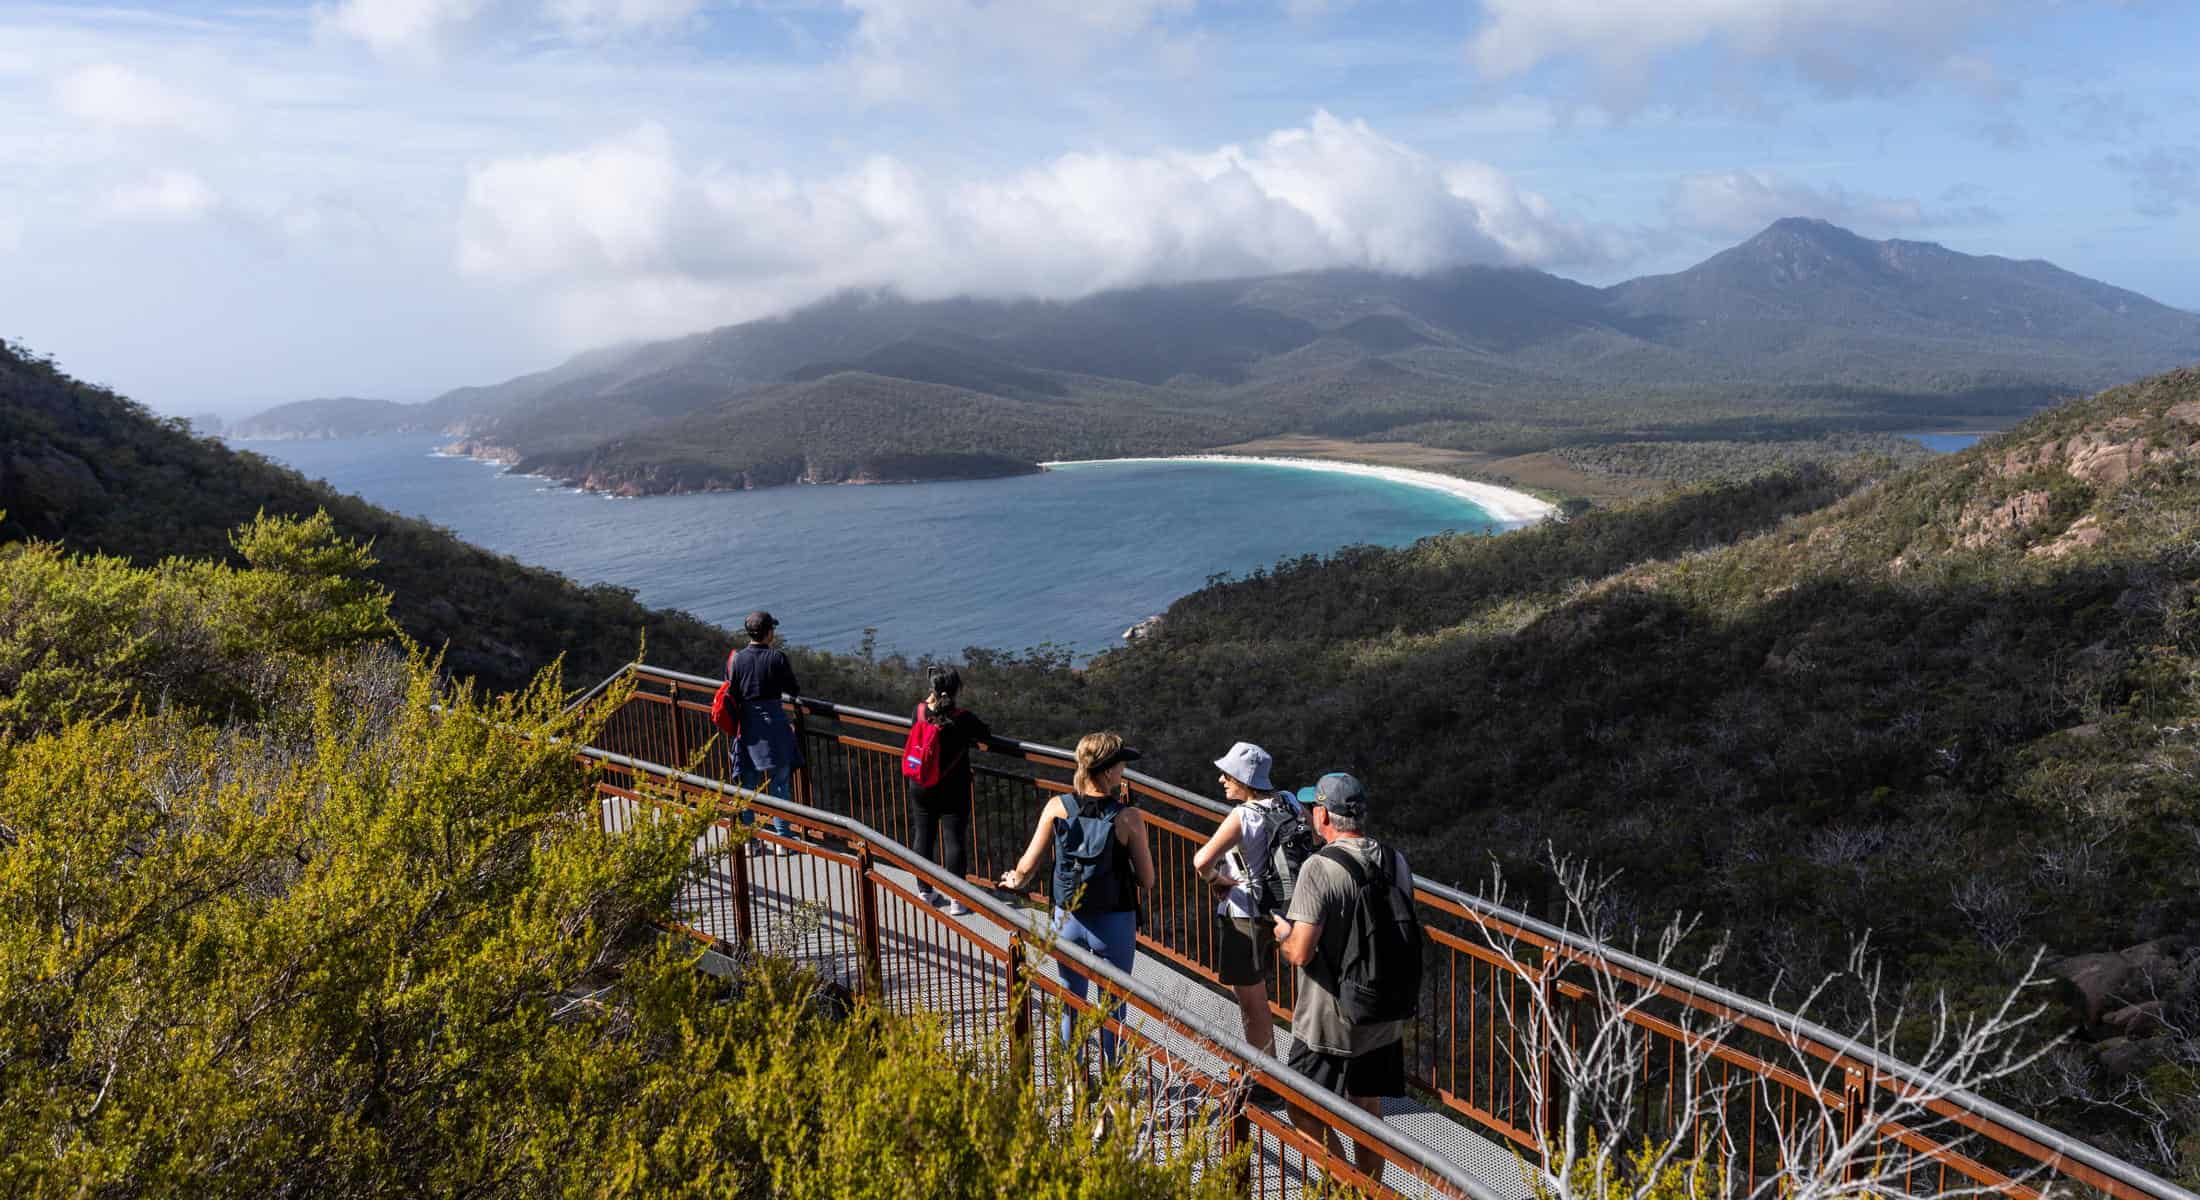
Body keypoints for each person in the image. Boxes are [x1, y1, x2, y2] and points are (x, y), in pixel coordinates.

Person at [1272, 772, 1413, 1188]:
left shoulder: (1318, 867)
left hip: (1328, 1020)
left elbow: (1300, 952)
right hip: (1383, 1013)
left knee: (1299, 1103)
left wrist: (1283, 935)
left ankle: (1341, 1186)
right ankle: (1368, 1192)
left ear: (1322, 815)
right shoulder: (1395, 859)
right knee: (1367, 1105)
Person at [998, 732, 1156, 1065]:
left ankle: (1073, 1078)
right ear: (1109, 772)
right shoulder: (1128, 818)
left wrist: (1015, 879)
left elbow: (1026, 867)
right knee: (1113, 1006)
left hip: (1066, 920)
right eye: (1122, 763)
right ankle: (1113, 1085)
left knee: (1071, 1001)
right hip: (1114, 923)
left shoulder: (1057, 808)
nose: (1125, 769)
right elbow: (1148, 879)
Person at [1190, 741, 1302, 1058]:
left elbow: (1201, 861)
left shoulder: (1243, 816)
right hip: (1288, 910)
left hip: (1244, 913)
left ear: (1242, 779)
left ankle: (1264, 1077)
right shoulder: (1290, 802)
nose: (1222, 780)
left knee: (1253, 1001)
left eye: (1227, 775)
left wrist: (1216, 880)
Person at [908, 666, 991, 916]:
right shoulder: (963, 718)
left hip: (921, 785)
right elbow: (986, 734)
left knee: (923, 836)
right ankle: (957, 899)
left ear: (932, 688)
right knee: (953, 840)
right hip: (953, 787)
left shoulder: (919, 711)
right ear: (957, 690)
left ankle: (925, 891)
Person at [729, 610, 803, 853]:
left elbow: (732, 691)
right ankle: (783, 839)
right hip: (775, 727)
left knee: (748, 785)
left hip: (748, 729)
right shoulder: (777, 658)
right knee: (779, 784)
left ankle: (750, 841)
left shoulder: (737, 660)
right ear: (769, 632)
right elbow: (793, 688)